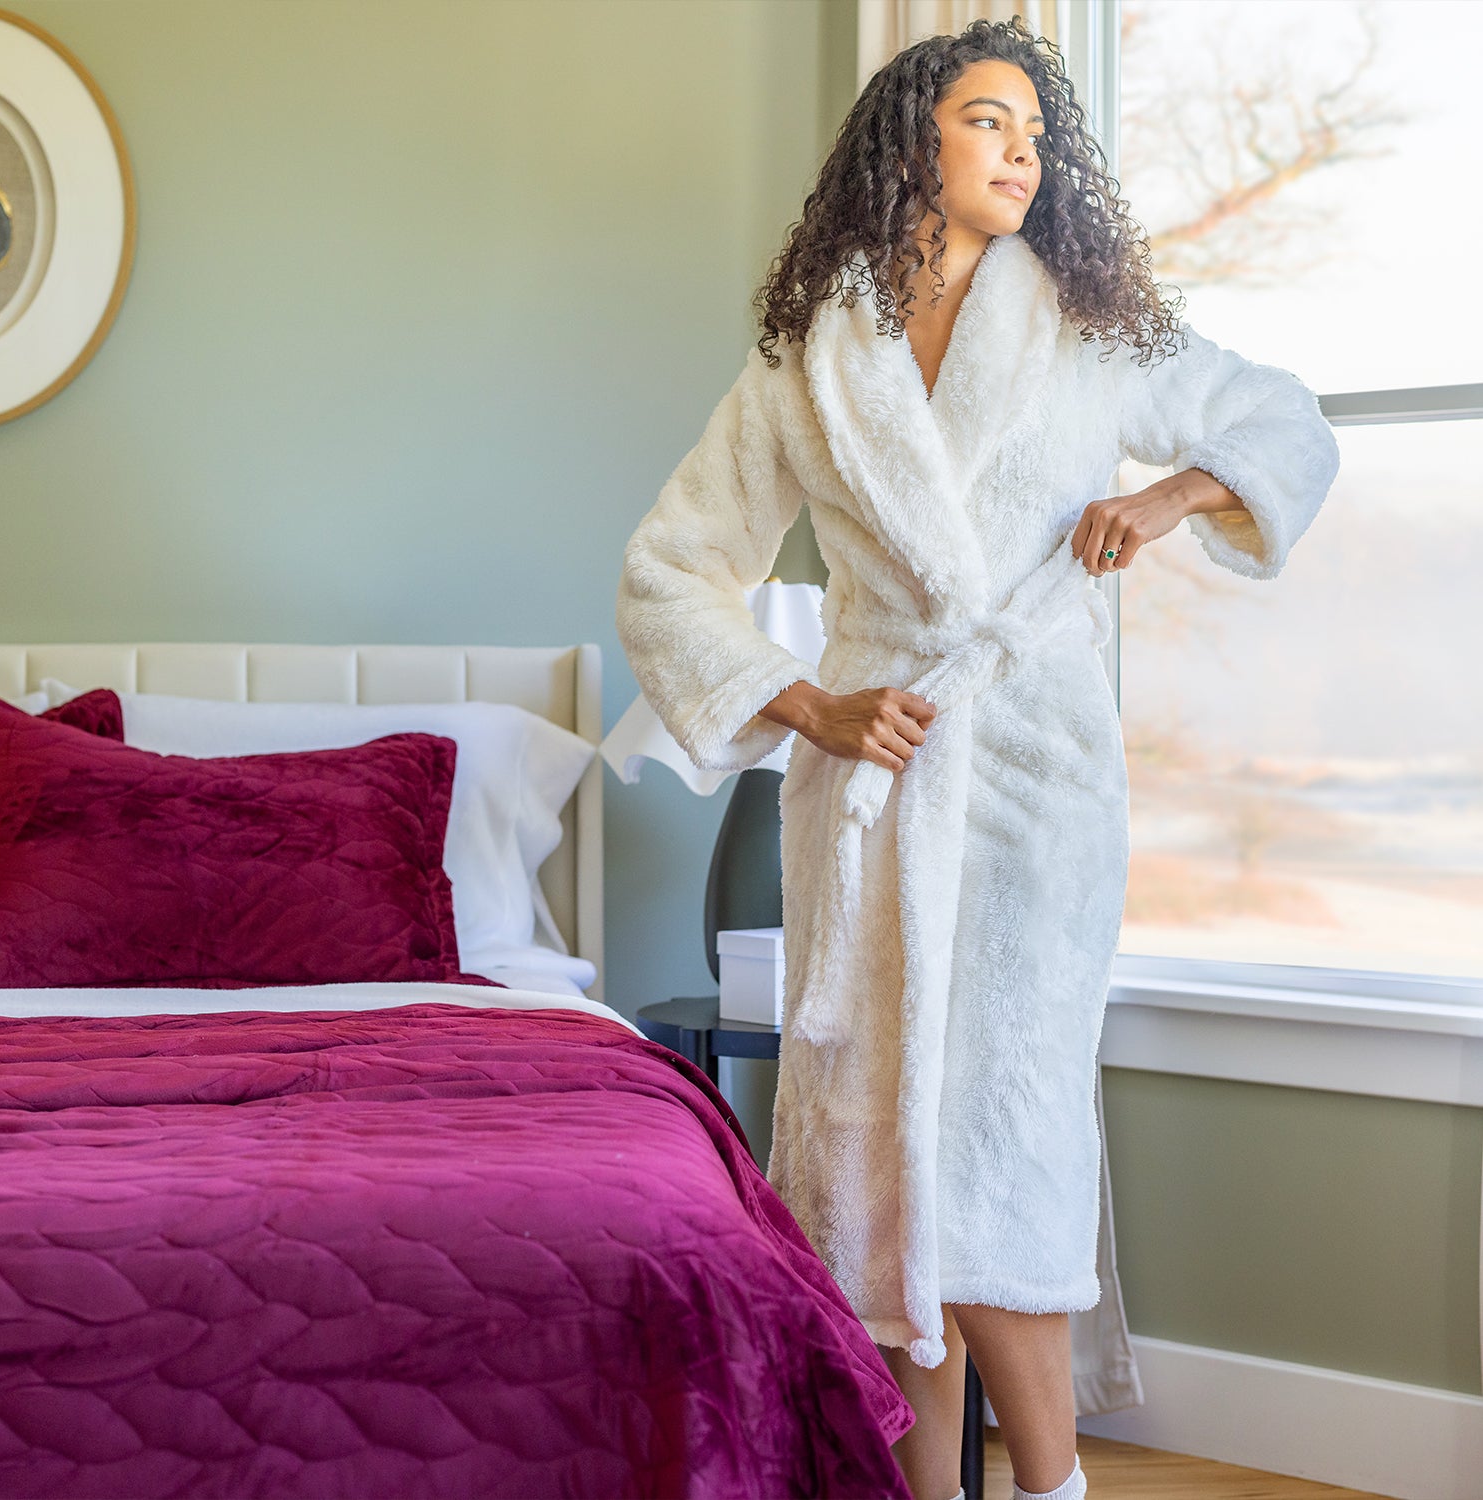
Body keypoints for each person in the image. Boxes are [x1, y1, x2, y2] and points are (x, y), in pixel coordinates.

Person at [616, 16, 1339, 1500]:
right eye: (988, 123)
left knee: (1005, 1135)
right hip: (874, 782)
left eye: (1035, 133)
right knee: (879, 1162)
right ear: (911, 143)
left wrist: (1170, 498)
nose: (1022, 153)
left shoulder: (1085, 327)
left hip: (1031, 770)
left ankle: (1054, 1486)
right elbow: (671, 572)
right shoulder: (808, 361)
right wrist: (809, 705)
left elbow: (1284, 422)